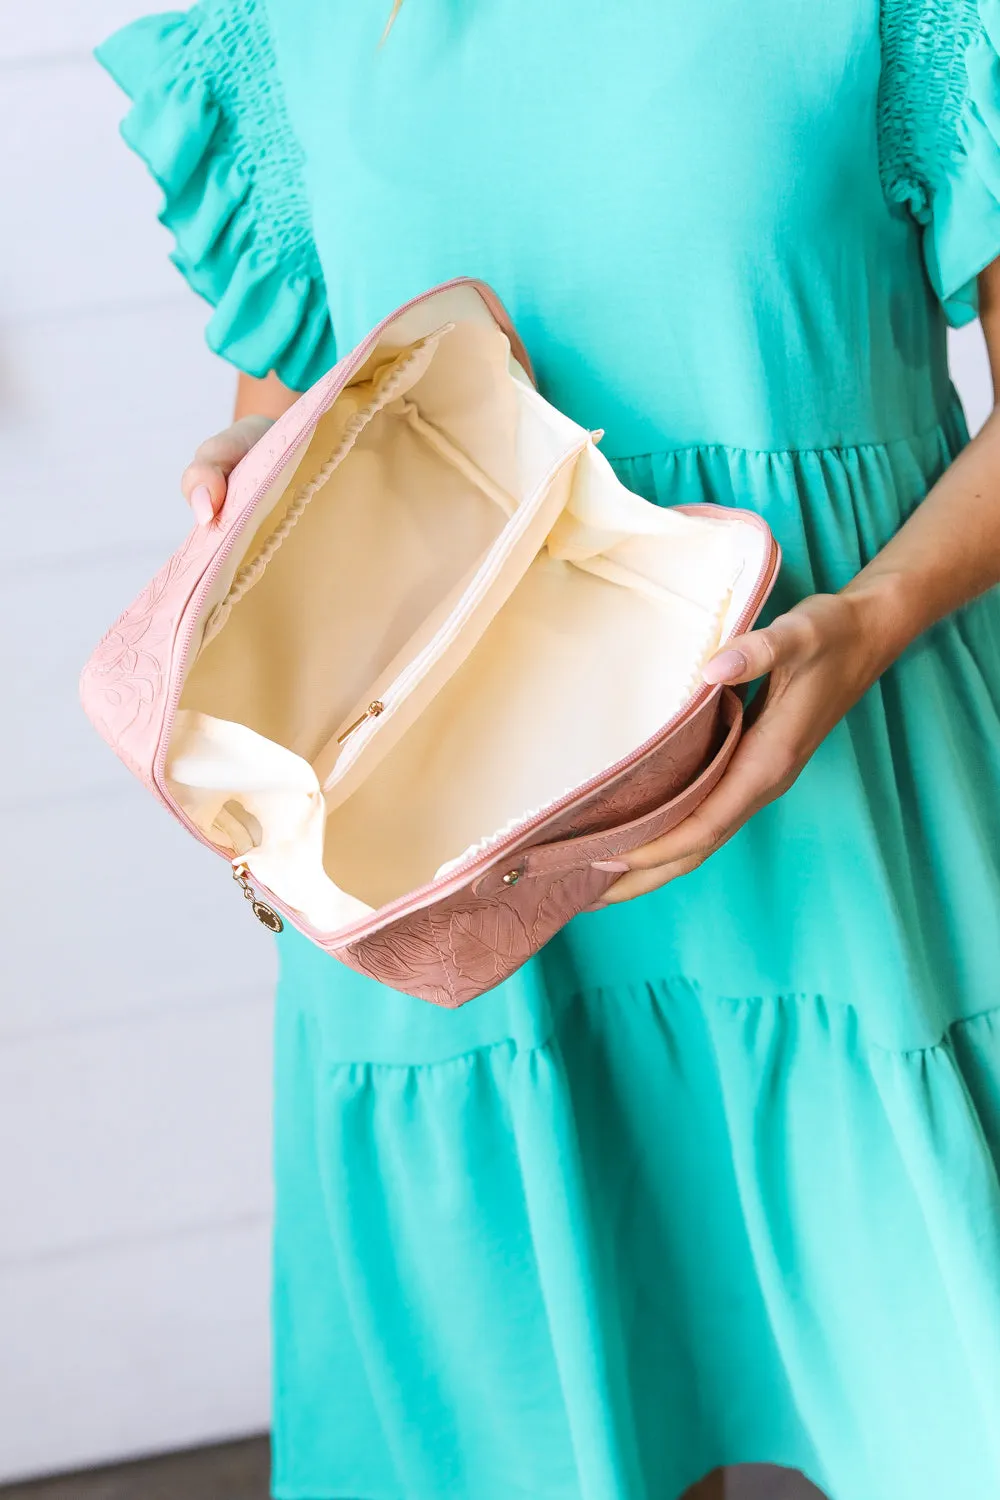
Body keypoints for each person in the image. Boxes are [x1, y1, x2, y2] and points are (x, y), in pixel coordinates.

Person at [96, 3, 1000, 1497]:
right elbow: (298, 405)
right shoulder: (290, 34)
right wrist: (235, 473)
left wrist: (873, 618)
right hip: (454, 852)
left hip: (857, 799)